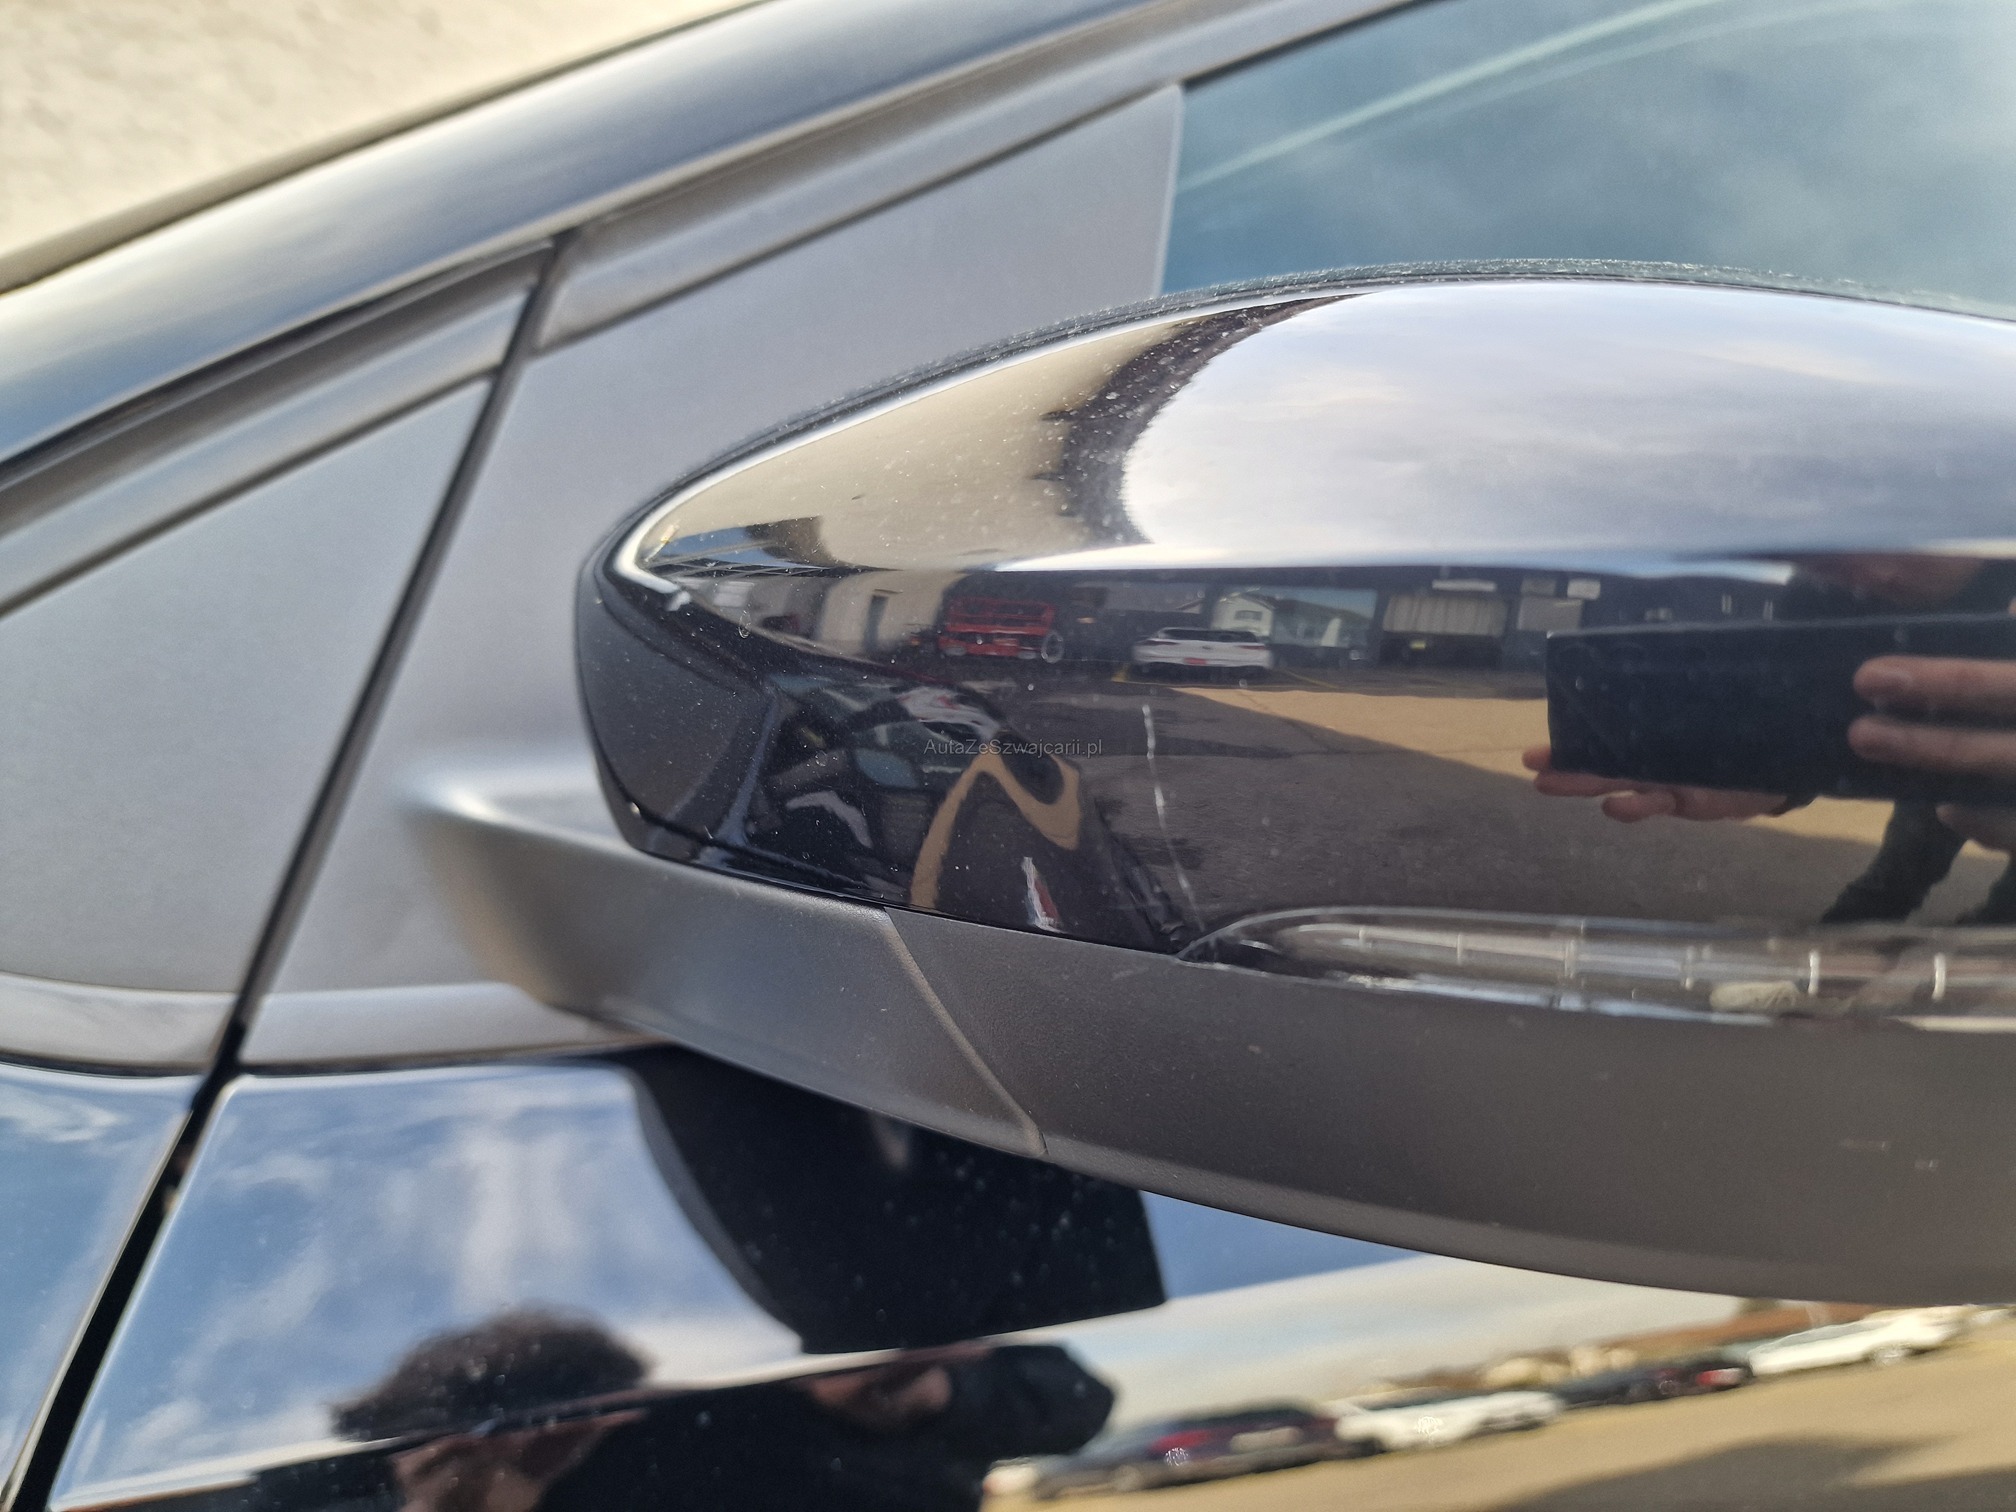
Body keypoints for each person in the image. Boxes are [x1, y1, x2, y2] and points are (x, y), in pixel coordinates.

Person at [1525, 554, 2016, 922]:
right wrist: (1772, 776)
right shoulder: (1816, 594)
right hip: (1910, 762)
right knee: (1895, 877)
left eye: (1904, 541)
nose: (1878, 572)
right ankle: (1820, 989)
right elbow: (1812, 712)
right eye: (1832, 561)